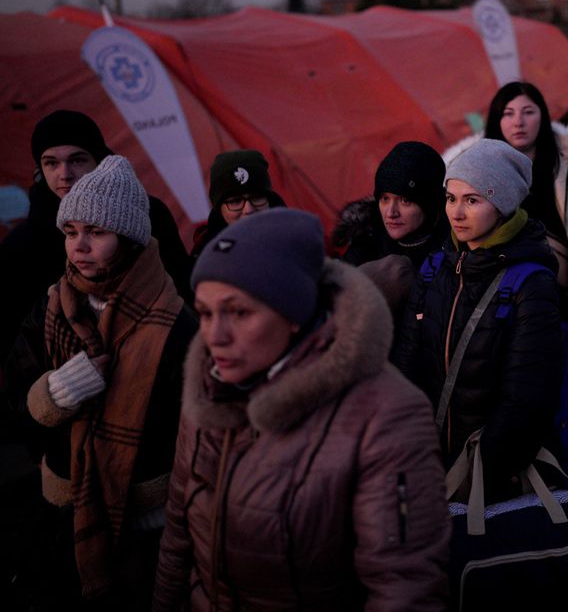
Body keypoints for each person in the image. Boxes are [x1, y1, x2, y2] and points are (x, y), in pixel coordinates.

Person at [154, 208, 450, 610]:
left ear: (293, 313)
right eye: (205, 313)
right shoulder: (210, 389)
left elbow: (403, 587)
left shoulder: (385, 417)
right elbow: (178, 535)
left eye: (239, 312)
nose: (214, 337)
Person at [0, 156, 197, 609]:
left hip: (150, 521)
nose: (79, 246)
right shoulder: (50, 309)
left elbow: (196, 428)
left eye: (96, 233)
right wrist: (54, 393)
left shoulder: (175, 322)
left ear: (127, 238)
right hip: (65, 509)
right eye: (70, 232)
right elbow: (10, 409)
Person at [392, 138, 564, 494]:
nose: (456, 213)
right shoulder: (435, 268)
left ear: (502, 204)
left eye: (472, 200)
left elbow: (527, 398)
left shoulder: (530, 284)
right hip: (425, 459)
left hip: (489, 476)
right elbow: (407, 364)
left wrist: (481, 471)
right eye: (451, 198)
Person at [0, 110, 192, 363]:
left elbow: (183, 291)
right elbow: (13, 349)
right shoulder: (19, 249)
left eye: (77, 160)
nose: (64, 174)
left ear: (98, 160)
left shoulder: (146, 215)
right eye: (51, 163)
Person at [483, 81, 568, 335]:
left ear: (542, 116)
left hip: (566, 306)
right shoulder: (479, 177)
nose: (518, 122)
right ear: (496, 120)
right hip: (501, 312)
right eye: (508, 113)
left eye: (528, 112)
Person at [333, 141, 449, 268]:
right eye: (384, 199)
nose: (391, 213)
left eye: (405, 200)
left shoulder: (456, 245)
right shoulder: (366, 243)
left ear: (428, 204)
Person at [189, 149, 286, 259]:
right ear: (219, 209)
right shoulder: (205, 258)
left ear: (269, 200)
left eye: (257, 197)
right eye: (235, 201)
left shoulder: (298, 240)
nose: (248, 210)